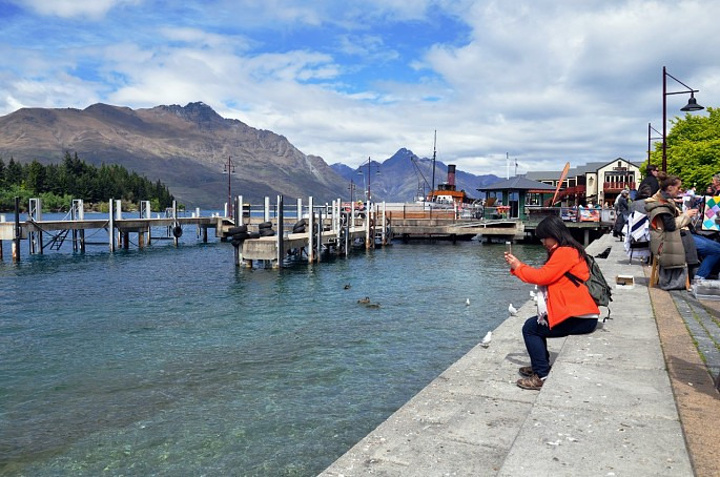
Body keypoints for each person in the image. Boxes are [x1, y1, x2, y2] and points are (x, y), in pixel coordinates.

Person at [504, 215, 599, 391]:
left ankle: (541, 374)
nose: (543, 242)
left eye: (544, 238)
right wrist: (518, 268)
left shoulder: (565, 252)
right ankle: (540, 365)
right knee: (535, 326)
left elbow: (542, 276)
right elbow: (545, 276)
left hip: (580, 317)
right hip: (581, 313)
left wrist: (518, 266)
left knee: (531, 328)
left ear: (554, 234)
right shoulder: (569, 250)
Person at [645, 172, 699, 289]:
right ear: (670, 188)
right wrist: (687, 215)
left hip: (670, 237)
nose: (680, 190)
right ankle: (699, 279)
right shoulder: (662, 205)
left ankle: (698, 276)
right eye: (678, 188)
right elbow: (670, 226)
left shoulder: (663, 201)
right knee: (713, 250)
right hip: (667, 241)